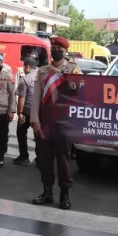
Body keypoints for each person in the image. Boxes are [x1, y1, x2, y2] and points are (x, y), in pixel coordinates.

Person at [30, 36, 81, 210]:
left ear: (65, 51)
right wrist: (35, 120)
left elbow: (78, 90)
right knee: (44, 159)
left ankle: (65, 196)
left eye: (59, 48)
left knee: (64, 161)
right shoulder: (42, 71)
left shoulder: (73, 68)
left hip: (64, 122)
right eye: (53, 47)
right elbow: (36, 96)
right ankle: (47, 192)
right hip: (45, 122)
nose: (56, 50)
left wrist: (60, 74)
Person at [14, 58, 39, 165]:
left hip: (27, 110)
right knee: (38, 135)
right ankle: (40, 159)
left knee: (21, 132)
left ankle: (24, 156)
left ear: (28, 66)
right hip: (39, 111)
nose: (23, 69)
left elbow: (21, 98)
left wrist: (20, 112)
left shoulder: (25, 79)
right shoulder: (42, 77)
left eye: (24, 66)